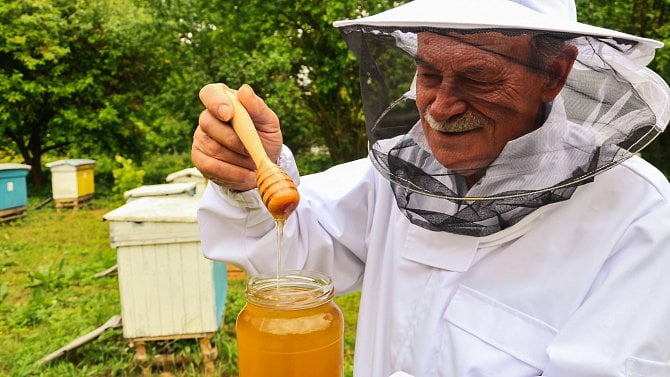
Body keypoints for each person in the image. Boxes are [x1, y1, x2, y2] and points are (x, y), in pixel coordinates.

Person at [192, 0, 670, 376]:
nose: (440, 107)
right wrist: (250, 172)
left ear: (554, 75)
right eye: (428, 73)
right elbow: (295, 254)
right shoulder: (402, 169)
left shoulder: (640, 222)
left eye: (478, 77)